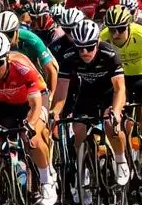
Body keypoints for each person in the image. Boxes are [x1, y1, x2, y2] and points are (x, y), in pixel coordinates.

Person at [0, 33, 57, 205]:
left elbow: (35, 105)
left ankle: (46, 181)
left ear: (7, 58)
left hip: (32, 101)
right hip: (7, 105)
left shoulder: (22, 66)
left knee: (32, 138)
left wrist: (31, 125)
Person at [52, 20, 130, 195]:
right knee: (78, 128)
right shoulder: (69, 57)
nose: (84, 52)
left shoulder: (109, 54)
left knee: (110, 124)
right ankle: (83, 167)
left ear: (97, 42)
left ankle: (120, 160)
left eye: (89, 47)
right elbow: (61, 93)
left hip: (110, 93)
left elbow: (120, 88)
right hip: (87, 93)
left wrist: (116, 111)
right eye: (80, 48)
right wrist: (55, 112)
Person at [102, 5, 142, 200]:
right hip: (121, 81)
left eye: (120, 29)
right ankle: (123, 162)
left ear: (128, 26)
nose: (116, 34)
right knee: (115, 121)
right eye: (112, 29)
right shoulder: (103, 38)